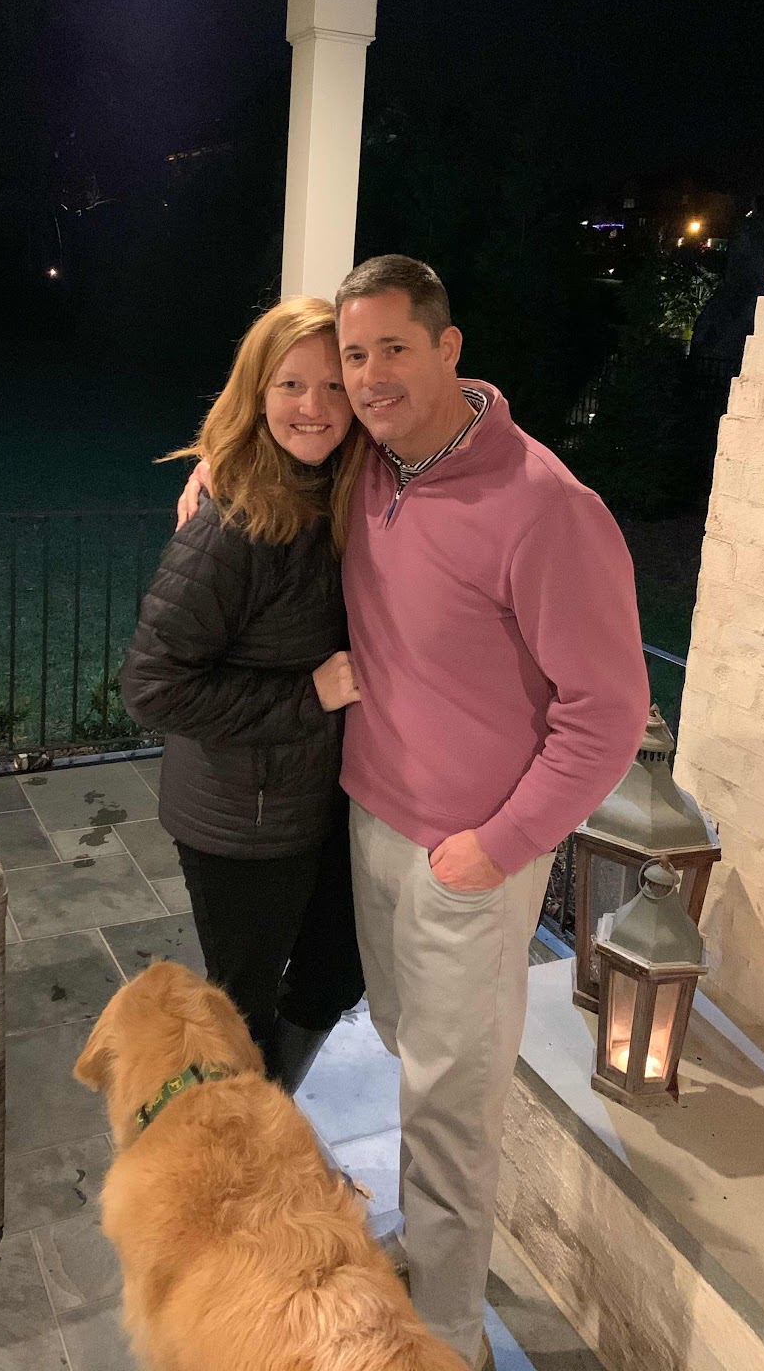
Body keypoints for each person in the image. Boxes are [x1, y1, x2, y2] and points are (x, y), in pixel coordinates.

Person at [178, 256, 649, 1371]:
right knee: (407, 1050)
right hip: (369, 826)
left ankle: (446, 1336)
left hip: (467, 855)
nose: (369, 376)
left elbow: (610, 715)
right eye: (355, 355)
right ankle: (433, 1259)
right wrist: (214, 469)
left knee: (452, 1104)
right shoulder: (371, 466)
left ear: (449, 347)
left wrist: (497, 848)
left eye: (395, 347)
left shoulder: (546, 508)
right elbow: (278, 439)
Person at [120, 295, 368, 1095]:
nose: (314, 406)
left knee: (336, 970)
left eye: (334, 386)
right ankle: (242, 1143)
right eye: (291, 384)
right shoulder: (231, 525)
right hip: (241, 823)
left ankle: (271, 1107)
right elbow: (151, 688)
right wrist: (307, 696)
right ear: (257, 393)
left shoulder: (337, 487)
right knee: (242, 1010)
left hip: (317, 798)